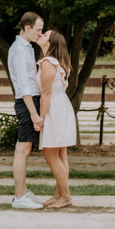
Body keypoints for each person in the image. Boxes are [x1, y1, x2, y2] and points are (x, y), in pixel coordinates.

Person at [7, 11, 45, 209]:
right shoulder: (19, 51)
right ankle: (20, 197)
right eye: (38, 30)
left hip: (31, 100)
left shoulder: (27, 47)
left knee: (25, 148)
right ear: (27, 27)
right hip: (26, 102)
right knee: (23, 148)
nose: (41, 33)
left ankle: (23, 192)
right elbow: (23, 86)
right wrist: (34, 114)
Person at [37, 28, 76, 208]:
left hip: (54, 109)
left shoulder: (48, 62)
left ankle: (66, 196)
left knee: (50, 153)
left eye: (45, 35)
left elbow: (46, 92)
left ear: (50, 43)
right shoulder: (57, 62)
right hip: (62, 107)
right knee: (61, 154)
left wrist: (41, 117)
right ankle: (59, 194)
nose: (41, 35)